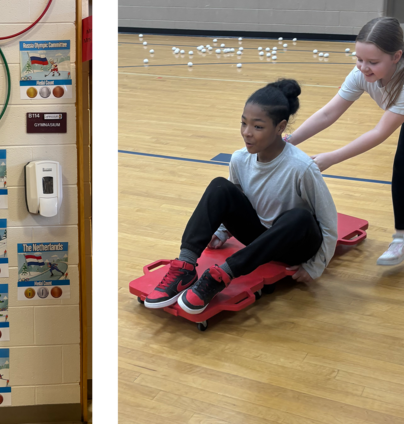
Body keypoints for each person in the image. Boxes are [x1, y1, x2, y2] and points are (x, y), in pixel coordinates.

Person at [287, 17, 404, 266]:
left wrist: (331, 158)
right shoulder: (361, 73)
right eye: (359, 59)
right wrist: (289, 141)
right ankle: (402, 240)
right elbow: (328, 113)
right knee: (402, 168)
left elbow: (380, 132)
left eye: (373, 62)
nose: (363, 68)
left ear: (396, 56)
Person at [144, 79, 338, 314]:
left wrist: (316, 266)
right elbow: (238, 199)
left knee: (300, 217)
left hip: (294, 245)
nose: (247, 133)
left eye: (258, 127)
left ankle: (222, 275)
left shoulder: (301, 167)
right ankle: (185, 266)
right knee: (220, 186)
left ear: (280, 127)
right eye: (244, 123)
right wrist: (222, 232)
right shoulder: (239, 159)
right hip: (259, 238)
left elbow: (328, 223)